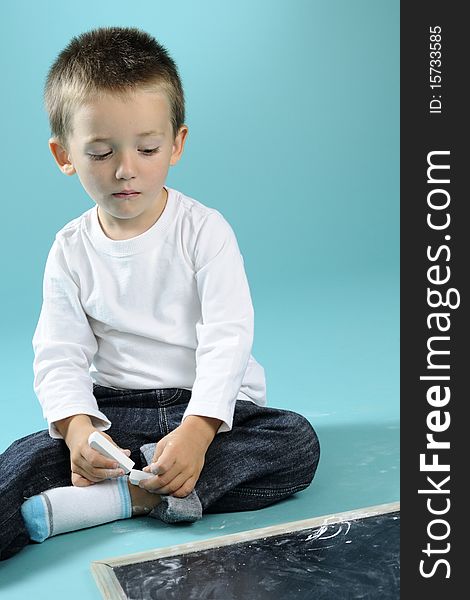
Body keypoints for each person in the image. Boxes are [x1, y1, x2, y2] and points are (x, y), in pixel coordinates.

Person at [0, 26, 320, 561]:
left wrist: (197, 431)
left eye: (147, 148)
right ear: (64, 155)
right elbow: (59, 352)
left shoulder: (204, 230)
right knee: (21, 462)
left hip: (211, 411)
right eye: (100, 152)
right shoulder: (70, 248)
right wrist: (80, 430)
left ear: (177, 143)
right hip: (117, 414)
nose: (126, 169)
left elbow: (228, 335)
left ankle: (128, 498)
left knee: (296, 444)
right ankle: (138, 480)